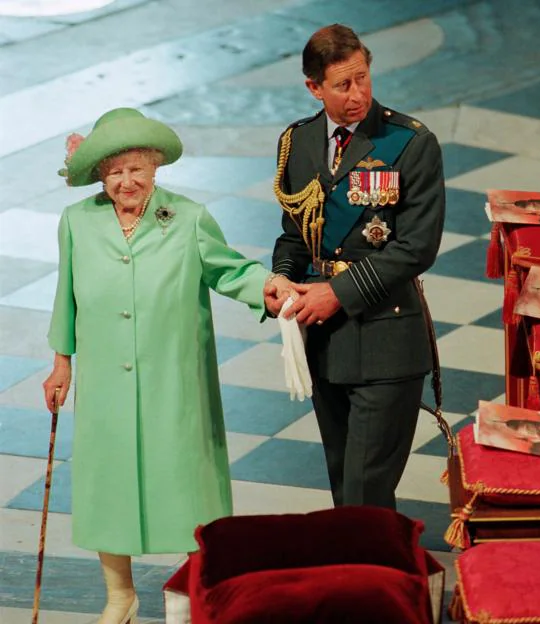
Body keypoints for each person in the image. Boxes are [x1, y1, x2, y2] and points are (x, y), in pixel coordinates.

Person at [42, 108, 291, 624]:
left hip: (174, 375)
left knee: (187, 480)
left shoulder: (188, 217)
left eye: (135, 169)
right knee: (107, 480)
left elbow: (229, 270)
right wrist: (61, 362)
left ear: (155, 168)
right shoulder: (77, 222)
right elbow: (65, 294)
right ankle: (120, 597)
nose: (126, 181)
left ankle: (197, 597)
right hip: (107, 377)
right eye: (114, 172)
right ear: (99, 177)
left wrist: (267, 288)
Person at [270, 24, 445, 510]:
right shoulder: (299, 142)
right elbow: (294, 234)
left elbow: (416, 248)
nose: (358, 94)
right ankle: (367, 577)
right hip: (325, 344)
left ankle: (374, 581)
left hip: (386, 339)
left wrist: (336, 292)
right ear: (314, 87)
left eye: (363, 78)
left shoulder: (408, 143)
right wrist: (283, 277)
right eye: (343, 85)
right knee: (344, 485)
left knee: (366, 492)